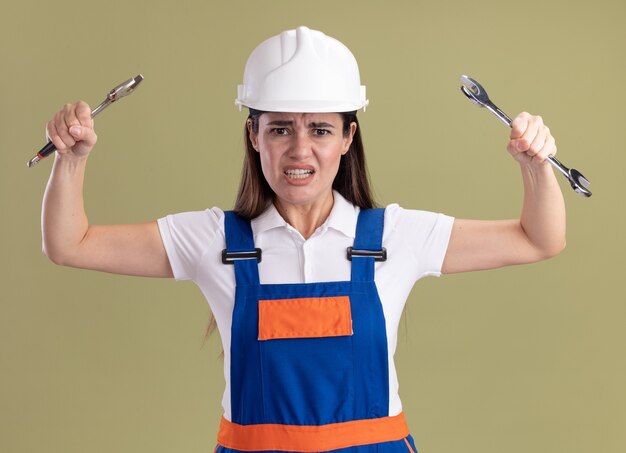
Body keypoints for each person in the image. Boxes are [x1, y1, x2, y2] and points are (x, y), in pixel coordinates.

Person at [41, 26, 566, 453]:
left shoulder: (397, 237)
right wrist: (72, 159)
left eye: (319, 129)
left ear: (347, 137)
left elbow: (538, 239)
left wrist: (536, 165)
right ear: (254, 135)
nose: (299, 151)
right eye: (279, 129)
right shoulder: (213, 240)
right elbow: (71, 243)